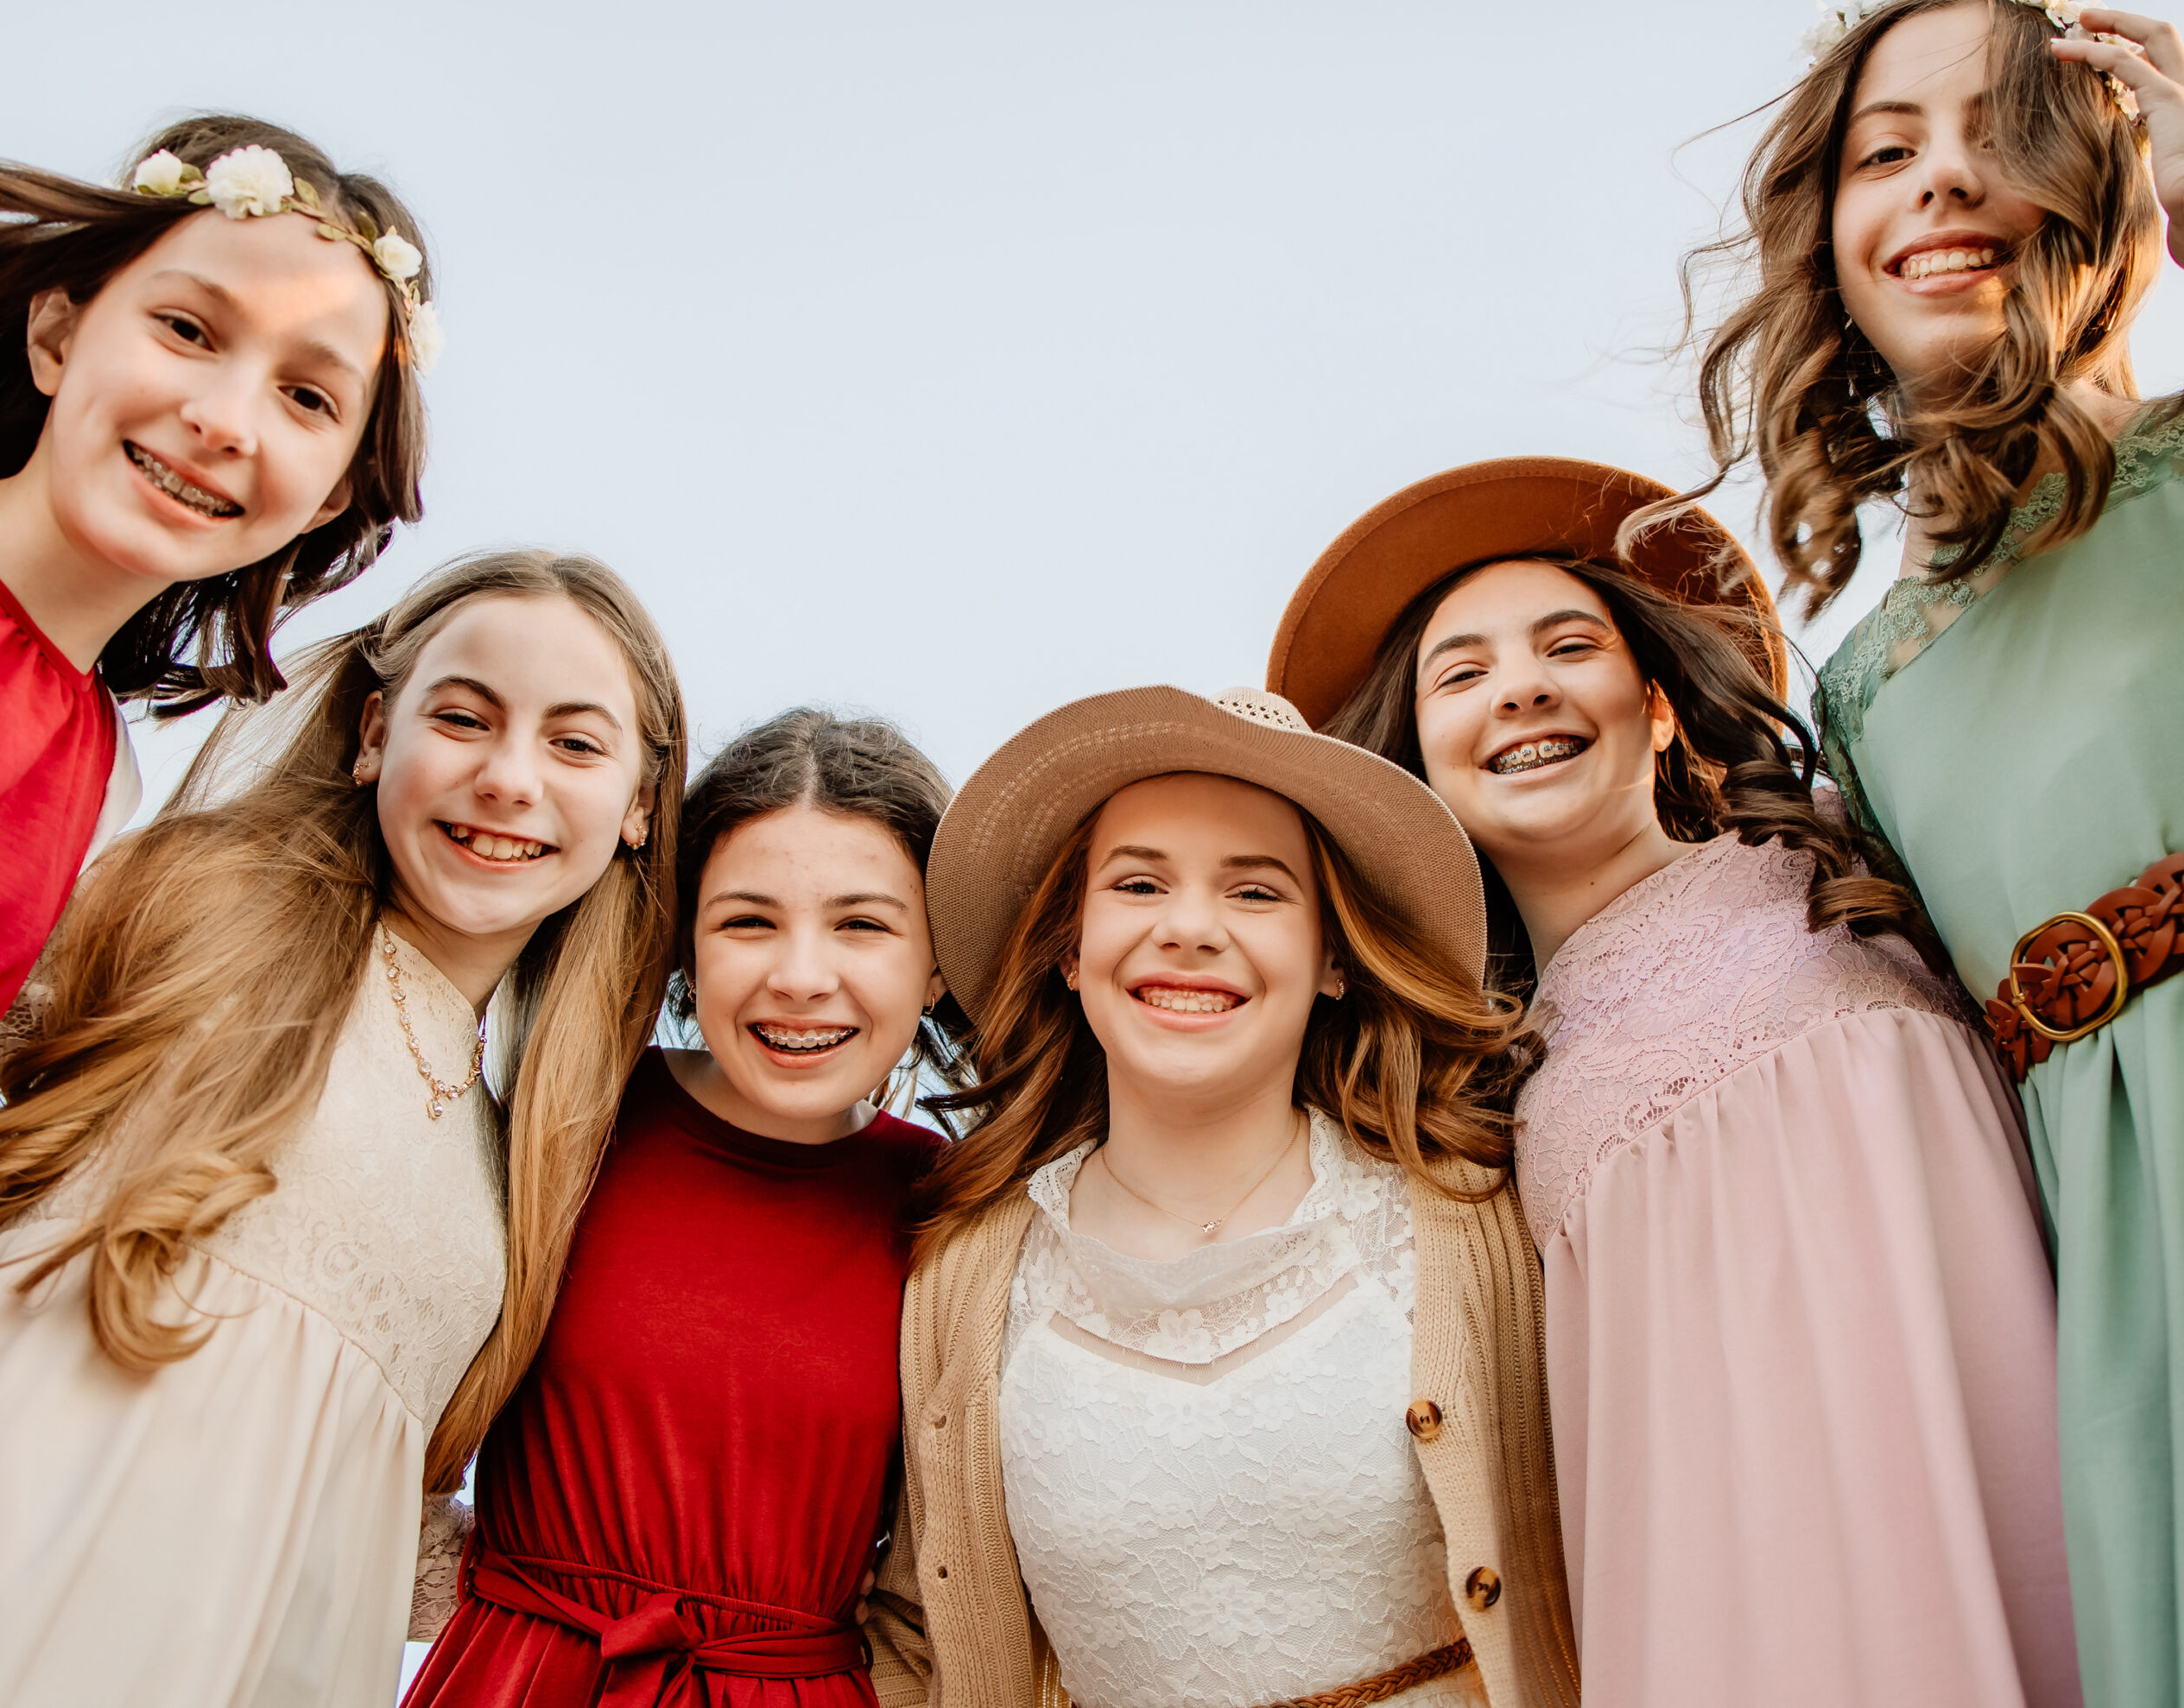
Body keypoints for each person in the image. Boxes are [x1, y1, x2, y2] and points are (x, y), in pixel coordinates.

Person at [1273, 456, 2076, 1708]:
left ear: (1655, 701)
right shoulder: (1482, 1106)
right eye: (1463, 673)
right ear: (1419, 766)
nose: (1522, 686)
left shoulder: (1853, 851)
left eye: (1567, 645)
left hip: (2039, 1504)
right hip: (1742, 1631)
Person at [1671, 3, 2184, 1699]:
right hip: (2116, 1313)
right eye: (1883, 149)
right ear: (1827, 239)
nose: (1940, 178)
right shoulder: (1865, 694)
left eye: (2004, 128)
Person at [0, 550, 684, 1708]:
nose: (509, 778)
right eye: (463, 716)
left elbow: (380, 1504)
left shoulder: (526, 1168)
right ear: (370, 735)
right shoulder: (191, 910)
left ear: (640, 805)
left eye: (575, 742)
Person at [868, 684, 1579, 1708]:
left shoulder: (1472, 1222)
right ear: (1070, 945)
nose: (1190, 928)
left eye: (1254, 892)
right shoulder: (967, 1275)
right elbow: (919, 1635)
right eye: (1139, 884)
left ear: (1332, 956)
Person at [402, 710, 957, 1708]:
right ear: (685, 946)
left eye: (862, 924)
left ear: (938, 961)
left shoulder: (956, 1213)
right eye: (748, 920)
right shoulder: (566, 1119)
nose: (799, 976)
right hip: (514, 1678)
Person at [0, 114, 440, 1055]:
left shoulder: (103, 790)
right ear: (58, 334)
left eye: (308, 398)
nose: (225, 421)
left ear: (326, 499)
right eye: (187, 329)